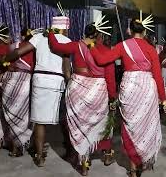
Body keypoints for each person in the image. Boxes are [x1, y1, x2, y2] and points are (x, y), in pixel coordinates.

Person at [88, 12, 166, 177]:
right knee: (144, 127)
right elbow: (158, 76)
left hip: (130, 89)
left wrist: (91, 45)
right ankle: (142, 160)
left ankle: (133, 168)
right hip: (147, 89)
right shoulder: (151, 49)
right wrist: (164, 99)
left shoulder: (122, 46)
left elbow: (102, 60)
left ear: (130, 30)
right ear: (144, 32)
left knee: (130, 127)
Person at [0, 13, 72, 166]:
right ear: (64, 28)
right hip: (57, 81)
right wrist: (70, 83)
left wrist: (5, 59)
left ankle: (39, 157)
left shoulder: (39, 37)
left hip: (39, 80)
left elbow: (19, 52)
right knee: (63, 118)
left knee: (40, 122)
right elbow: (66, 68)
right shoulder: (66, 41)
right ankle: (70, 151)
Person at [48, 16, 117, 176]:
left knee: (81, 125)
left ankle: (84, 164)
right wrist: (112, 97)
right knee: (103, 124)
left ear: (84, 33)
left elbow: (56, 45)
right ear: (99, 34)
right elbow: (110, 78)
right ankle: (107, 156)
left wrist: (51, 32)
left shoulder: (76, 46)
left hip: (77, 89)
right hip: (98, 91)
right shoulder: (106, 51)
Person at [0, 28, 34, 157]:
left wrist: (5, 62)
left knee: (11, 115)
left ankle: (15, 147)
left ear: (22, 35)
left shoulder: (13, 46)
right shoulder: (35, 49)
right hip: (25, 81)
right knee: (24, 115)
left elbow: (2, 61)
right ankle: (23, 144)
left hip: (10, 80)